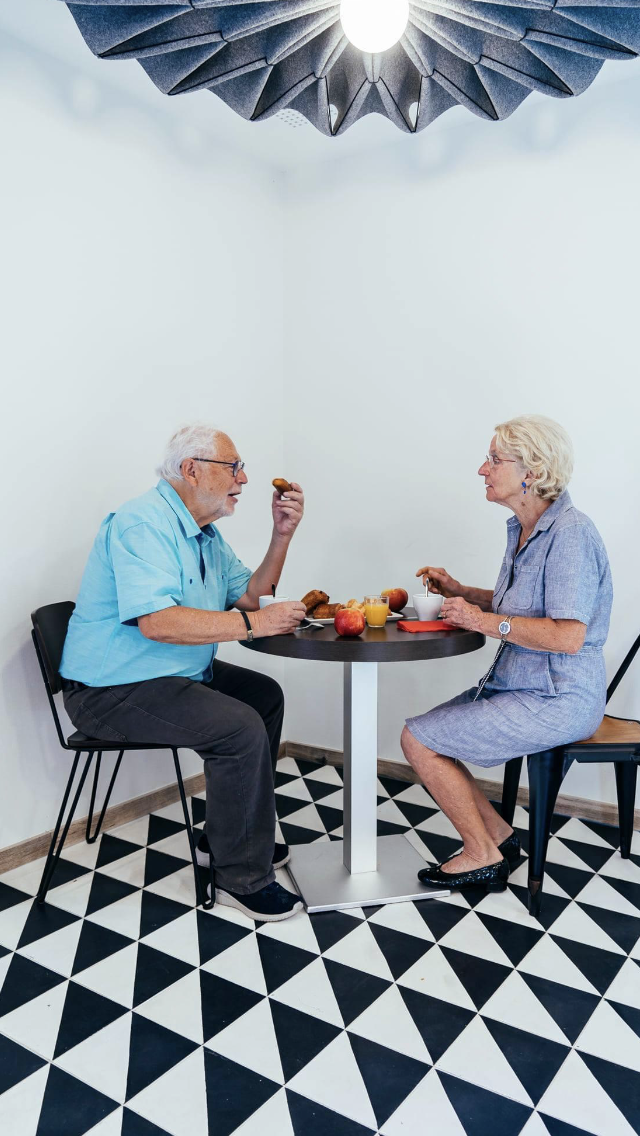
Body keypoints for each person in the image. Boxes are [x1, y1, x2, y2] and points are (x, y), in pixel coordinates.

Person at [60, 423, 307, 921]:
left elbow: (252, 597)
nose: (244, 478)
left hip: (171, 676)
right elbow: (157, 622)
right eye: (233, 467)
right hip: (109, 690)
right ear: (192, 469)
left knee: (264, 697)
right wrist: (254, 626)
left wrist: (282, 534)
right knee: (239, 728)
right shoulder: (142, 524)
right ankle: (241, 877)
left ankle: (230, 836)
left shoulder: (204, 534)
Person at [401, 414, 612, 894]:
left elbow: (568, 636)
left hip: (559, 698)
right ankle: (497, 838)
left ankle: (481, 857)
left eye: (494, 459)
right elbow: (520, 607)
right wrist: (462, 591)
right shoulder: (525, 527)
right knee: (428, 736)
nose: (483, 469)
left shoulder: (571, 534)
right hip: (520, 686)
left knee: (419, 740)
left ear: (531, 471)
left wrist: (481, 621)